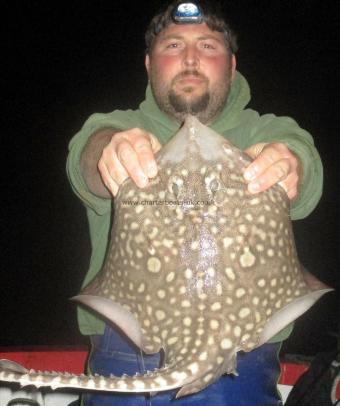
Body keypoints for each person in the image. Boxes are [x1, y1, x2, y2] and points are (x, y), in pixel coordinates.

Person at [66, 1, 323, 405]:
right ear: (149, 64)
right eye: (172, 46)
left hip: (242, 346)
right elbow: (88, 158)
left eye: (207, 45)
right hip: (127, 348)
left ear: (232, 65)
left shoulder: (267, 128)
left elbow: (302, 163)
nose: (189, 57)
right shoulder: (114, 124)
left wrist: (290, 162)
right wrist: (109, 152)